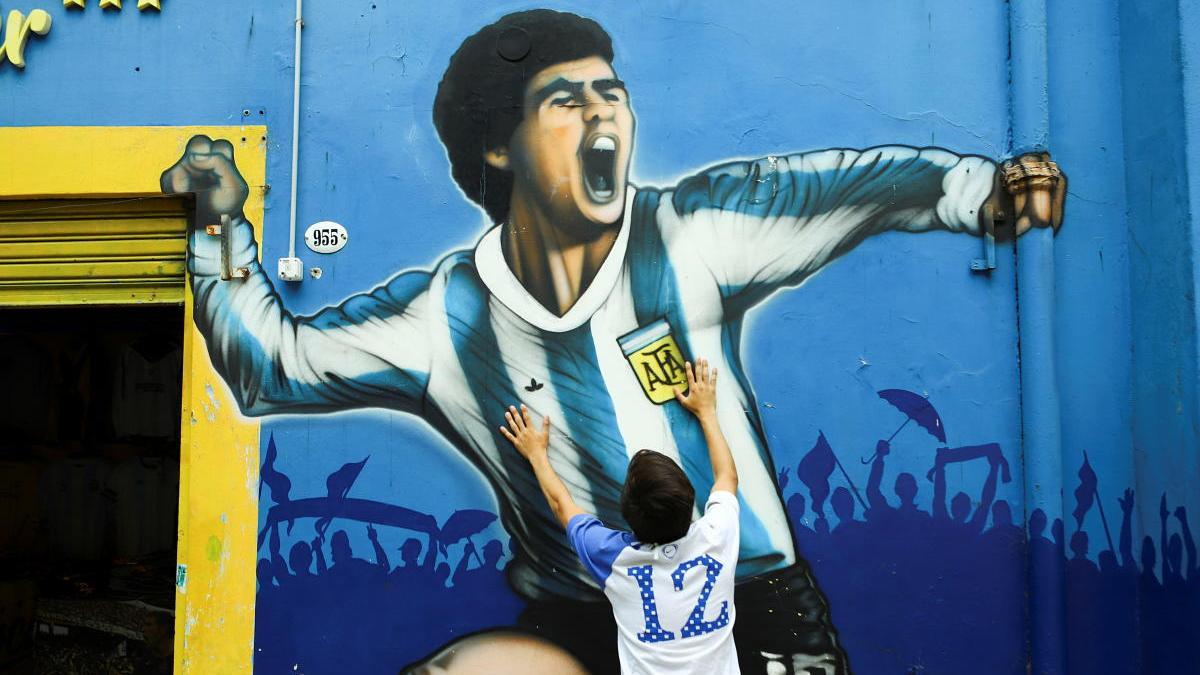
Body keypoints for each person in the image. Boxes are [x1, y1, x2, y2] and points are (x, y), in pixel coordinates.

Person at [160, 9, 1065, 673]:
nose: (605, 116)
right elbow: (275, 366)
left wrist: (979, 189)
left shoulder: (692, 234)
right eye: (566, 100)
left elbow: (848, 188)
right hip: (582, 616)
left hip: (749, 610)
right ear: (501, 147)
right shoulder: (446, 317)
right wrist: (217, 228)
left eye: (612, 92)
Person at [499, 358, 741, 674]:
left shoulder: (611, 556)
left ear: (626, 514)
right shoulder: (717, 536)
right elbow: (727, 477)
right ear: (689, 501)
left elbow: (562, 505)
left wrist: (536, 455)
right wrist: (707, 412)